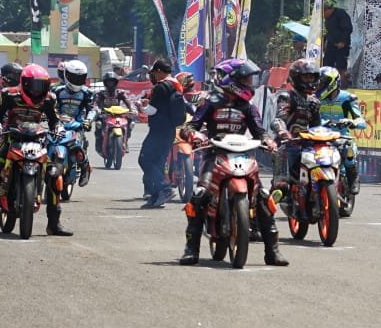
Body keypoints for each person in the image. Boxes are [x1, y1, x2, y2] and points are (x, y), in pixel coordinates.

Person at [181, 58, 287, 267]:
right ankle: (191, 249)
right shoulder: (210, 101)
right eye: (247, 79)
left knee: (264, 198)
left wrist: (268, 141)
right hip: (214, 154)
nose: (250, 84)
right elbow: (190, 126)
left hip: (243, 155)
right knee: (199, 195)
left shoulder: (247, 107)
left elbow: (260, 131)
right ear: (233, 80)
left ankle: (272, 251)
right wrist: (195, 135)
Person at [0, 64, 71, 236]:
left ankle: (54, 223)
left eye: (41, 86)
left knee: (54, 175)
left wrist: (58, 128)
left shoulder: (49, 98)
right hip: (9, 137)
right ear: (24, 83)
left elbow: (54, 119)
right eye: (33, 85)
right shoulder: (9, 94)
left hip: (37, 139)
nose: (37, 91)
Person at [272, 58, 322, 201]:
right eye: (306, 77)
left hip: (307, 143)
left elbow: (316, 126)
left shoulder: (314, 101)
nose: (310, 80)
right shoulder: (286, 96)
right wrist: (283, 132)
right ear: (296, 77)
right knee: (282, 186)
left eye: (312, 77)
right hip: (288, 143)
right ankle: (277, 191)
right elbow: (279, 118)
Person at [317, 66, 367, 208]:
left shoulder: (347, 98)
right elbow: (311, 119)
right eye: (319, 82)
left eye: (323, 82)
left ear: (333, 82)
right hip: (321, 136)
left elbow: (361, 121)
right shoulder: (315, 99)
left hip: (342, 136)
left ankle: (353, 179)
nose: (320, 85)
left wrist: (351, 122)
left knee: (349, 151)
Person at [139, 59, 186, 209]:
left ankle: (164, 188)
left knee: (145, 160)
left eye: (154, 73)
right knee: (158, 163)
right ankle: (155, 196)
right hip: (169, 130)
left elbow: (153, 110)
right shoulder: (176, 85)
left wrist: (141, 106)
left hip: (159, 130)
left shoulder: (161, 87)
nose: (153, 76)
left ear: (159, 72)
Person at [52, 59, 96, 188]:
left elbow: (92, 110)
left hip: (77, 125)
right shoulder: (57, 91)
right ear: (66, 75)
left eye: (80, 77)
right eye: (73, 77)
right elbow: (50, 107)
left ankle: (85, 167)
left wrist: (88, 120)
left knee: (77, 148)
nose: (77, 80)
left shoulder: (87, 93)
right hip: (58, 125)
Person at [95, 73, 136, 152]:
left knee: (130, 122)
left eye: (112, 82)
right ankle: (99, 145)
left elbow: (128, 102)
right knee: (98, 124)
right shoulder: (100, 94)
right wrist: (97, 109)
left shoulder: (120, 93)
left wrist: (132, 109)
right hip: (104, 115)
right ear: (105, 83)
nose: (110, 84)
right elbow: (95, 103)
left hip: (118, 115)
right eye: (108, 82)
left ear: (116, 83)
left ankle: (125, 141)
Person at [321, 0, 353, 71]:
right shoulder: (327, 19)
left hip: (342, 46)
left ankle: (342, 81)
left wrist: (343, 41)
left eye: (323, 14)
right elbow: (329, 32)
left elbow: (347, 28)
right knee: (326, 65)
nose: (323, 16)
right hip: (331, 45)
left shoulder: (341, 13)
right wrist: (325, 41)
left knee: (340, 67)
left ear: (328, 9)